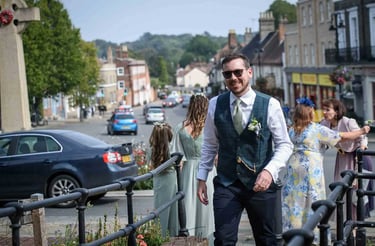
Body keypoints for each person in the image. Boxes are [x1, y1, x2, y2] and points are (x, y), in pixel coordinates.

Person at [197, 53, 294, 245]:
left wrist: (269, 171)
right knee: (223, 240)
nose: (233, 78)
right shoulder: (215, 104)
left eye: (238, 72)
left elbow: (285, 144)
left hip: (261, 184)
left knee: (267, 240)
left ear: (249, 72)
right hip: (227, 183)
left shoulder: (270, 104)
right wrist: (201, 178)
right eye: (227, 74)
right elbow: (209, 144)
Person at [282, 97, 370, 244]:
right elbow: (342, 136)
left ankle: (293, 236)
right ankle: (314, 237)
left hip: (292, 173)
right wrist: (363, 130)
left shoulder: (291, 131)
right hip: (310, 174)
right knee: (314, 202)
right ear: (310, 114)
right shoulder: (317, 130)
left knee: (294, 203)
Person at [170, 94, 215, 243]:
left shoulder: (181, 128)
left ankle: (189, 241)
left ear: (191, 107)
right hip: (207, 171)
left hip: (188, 172)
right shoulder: (211, 127)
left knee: (188, 207)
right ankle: (208, 240)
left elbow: (176, 157)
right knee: (207, 209)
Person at [320, 98, 374, 217]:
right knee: (340, 190)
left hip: (357, 158)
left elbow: (362, 137)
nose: (324, 112)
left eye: (327, 109)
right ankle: (346, 225)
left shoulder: (348, 122)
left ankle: (354, 228)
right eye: (323, 109)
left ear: (336, 112)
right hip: (342, 157)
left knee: (354, 193)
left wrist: (362, 150)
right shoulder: (324, 124)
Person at [148, 122, 178, 237]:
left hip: (158, 183)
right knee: (173, 211)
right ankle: (173, 235)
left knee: (160, 210)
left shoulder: (152, 150)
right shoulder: (172, 150)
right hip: (172, 181)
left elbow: (150, 165)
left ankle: (160, 235)